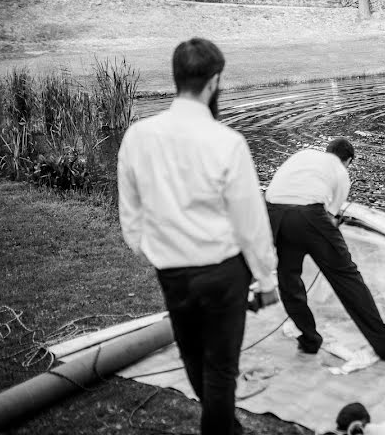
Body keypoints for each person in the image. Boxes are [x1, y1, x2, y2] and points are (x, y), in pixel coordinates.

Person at [118, 38, 279, 435]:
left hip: (172, 271)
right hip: (223, 273)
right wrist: (267, 277)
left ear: (177, 79)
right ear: (214, 82)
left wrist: (147, 248)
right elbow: (250, 221)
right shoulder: (227, 142)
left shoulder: (138, 136)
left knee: (193, 357)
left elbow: (130, 209)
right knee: (221, 368)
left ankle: (224, 425)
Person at [265, 138, 385, 361]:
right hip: (308, 214)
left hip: (273, 212)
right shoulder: (340, 171)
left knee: (289, 279)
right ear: (348, 160)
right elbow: (330, 217)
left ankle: (309, 340)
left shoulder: (303, 155)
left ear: (327, 151)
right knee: (347, 278)